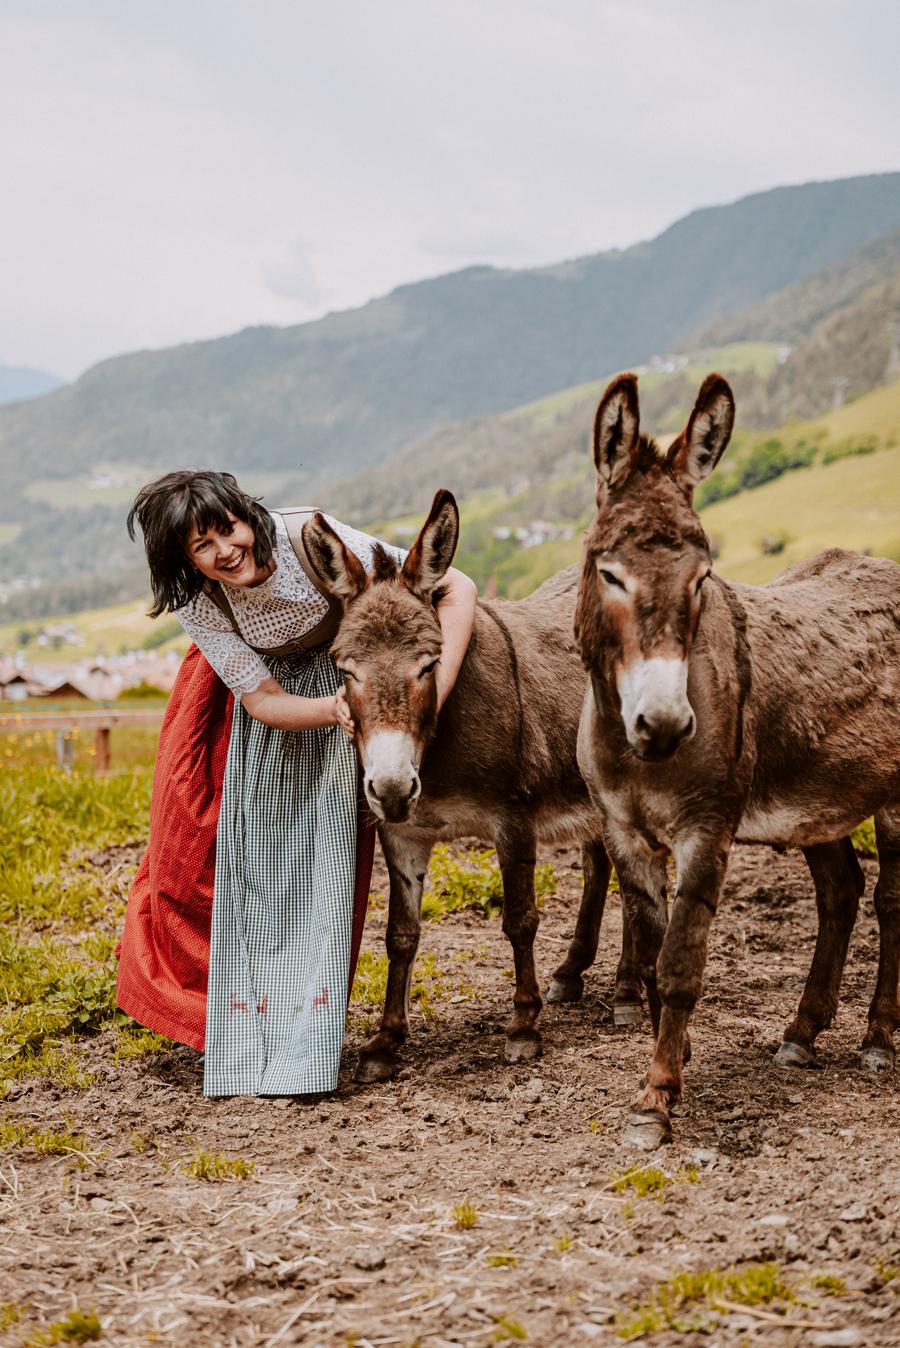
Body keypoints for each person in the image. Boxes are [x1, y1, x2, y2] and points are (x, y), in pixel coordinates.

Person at [116, 470, 477, 1097]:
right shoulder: (201, 602)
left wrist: (431, 693)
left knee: (323, 881)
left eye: (228, 527)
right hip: (285, 725)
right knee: (256, 879)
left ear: (245, 515)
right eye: (202, 546)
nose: (226, 549)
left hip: (356, 691)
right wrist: (332, 710)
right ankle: (244, 1046)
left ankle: (308, 1053)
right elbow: (260, 698)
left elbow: (456, 586)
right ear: (184, 560)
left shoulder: (307, 539)